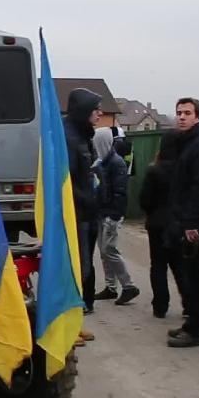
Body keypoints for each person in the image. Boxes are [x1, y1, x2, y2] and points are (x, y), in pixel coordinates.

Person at [166, 98, 199, 348]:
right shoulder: (188, 143)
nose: (182, 117)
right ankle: (191, 324)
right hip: (185, 222)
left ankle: (196, 330)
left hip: (193, 226)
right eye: (179, 113)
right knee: (190, 275)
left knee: (196, 278)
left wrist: (192, 225)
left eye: (187, 113)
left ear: (197, 116)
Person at [64, 88, 102, 344]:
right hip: (75, 214)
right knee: (72, 272)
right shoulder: (68, 137)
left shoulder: (83, 135)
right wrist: (85, 199)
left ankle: (75, 323)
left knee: (83, 271)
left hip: (87, 213)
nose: (100, 113)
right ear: (83, 111)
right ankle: (65, 329)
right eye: (95, 109)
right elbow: (65, 180)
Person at [139, 131, 188, 319]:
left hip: (157, 224)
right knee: (179, 265)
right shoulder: (184, 169)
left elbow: (145, 199)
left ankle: (160, 306)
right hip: (177, 223)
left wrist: (151, 212)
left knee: (158, 266)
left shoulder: (154, 170)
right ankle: (188, 304)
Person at [92, 127, 140, 305]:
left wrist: (114, 216)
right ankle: (110, 287)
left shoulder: (116, 163)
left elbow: (120, 192)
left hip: (111, 213)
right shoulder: (101, 162)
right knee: (104, 251)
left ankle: (128, 286)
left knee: (109, 250)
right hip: (103, 211)